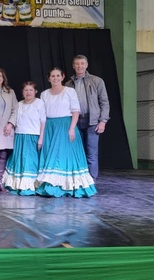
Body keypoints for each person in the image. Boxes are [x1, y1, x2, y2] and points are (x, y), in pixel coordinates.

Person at [36, 67, 96, 198]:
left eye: (58, 75)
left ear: (62, 77)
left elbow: (76, 111)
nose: (55, 78)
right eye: (53, 76)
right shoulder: (44, 94)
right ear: (48, 78)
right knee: (51, 156)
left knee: (64, 155)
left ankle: (67, 186)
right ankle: (51, 185)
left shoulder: (70, 91)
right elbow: (42, 114)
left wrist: (71, 128)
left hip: (65, 125)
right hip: (50, 127)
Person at [65, 54, 109, 180]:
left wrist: (103, 121)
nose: (80, 66)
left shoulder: (97, 81)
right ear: (73, 66)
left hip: (92, 121)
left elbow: (104, 102)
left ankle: (91, 180)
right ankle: (78, 180)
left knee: (91, 153)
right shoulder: (68, 84)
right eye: (77, 64)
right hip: (75, 122)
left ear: (86, 65)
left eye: (82, 63)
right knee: (76, 152)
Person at [3, 81, 46, 195]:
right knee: (19, 160)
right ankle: (18, 184)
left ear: (35, 91)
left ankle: (30, 186)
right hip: (19, 136)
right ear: (22, 92)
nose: (28, 92)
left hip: (33, 137)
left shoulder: (39, 103)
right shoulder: (19, 104)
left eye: (31, 90)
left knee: (30, 161)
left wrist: (41, 138)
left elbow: (43, 122)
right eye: (26, 90)